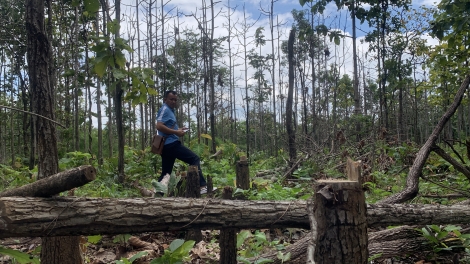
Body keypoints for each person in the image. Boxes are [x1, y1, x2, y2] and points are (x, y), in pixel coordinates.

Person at [156, 90, 208, 194]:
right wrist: (176, 132)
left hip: (167, 146)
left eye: (175, 100)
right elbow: (159, 126)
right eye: (171, 99)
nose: (174, 101)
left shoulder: (171, 110)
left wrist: (179, 129)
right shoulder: (165, 109)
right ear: (165, 99)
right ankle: (202, 186)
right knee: (194, 158)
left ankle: (157, 193)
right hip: (171, 144)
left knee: (166, 174)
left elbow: (167, 127)